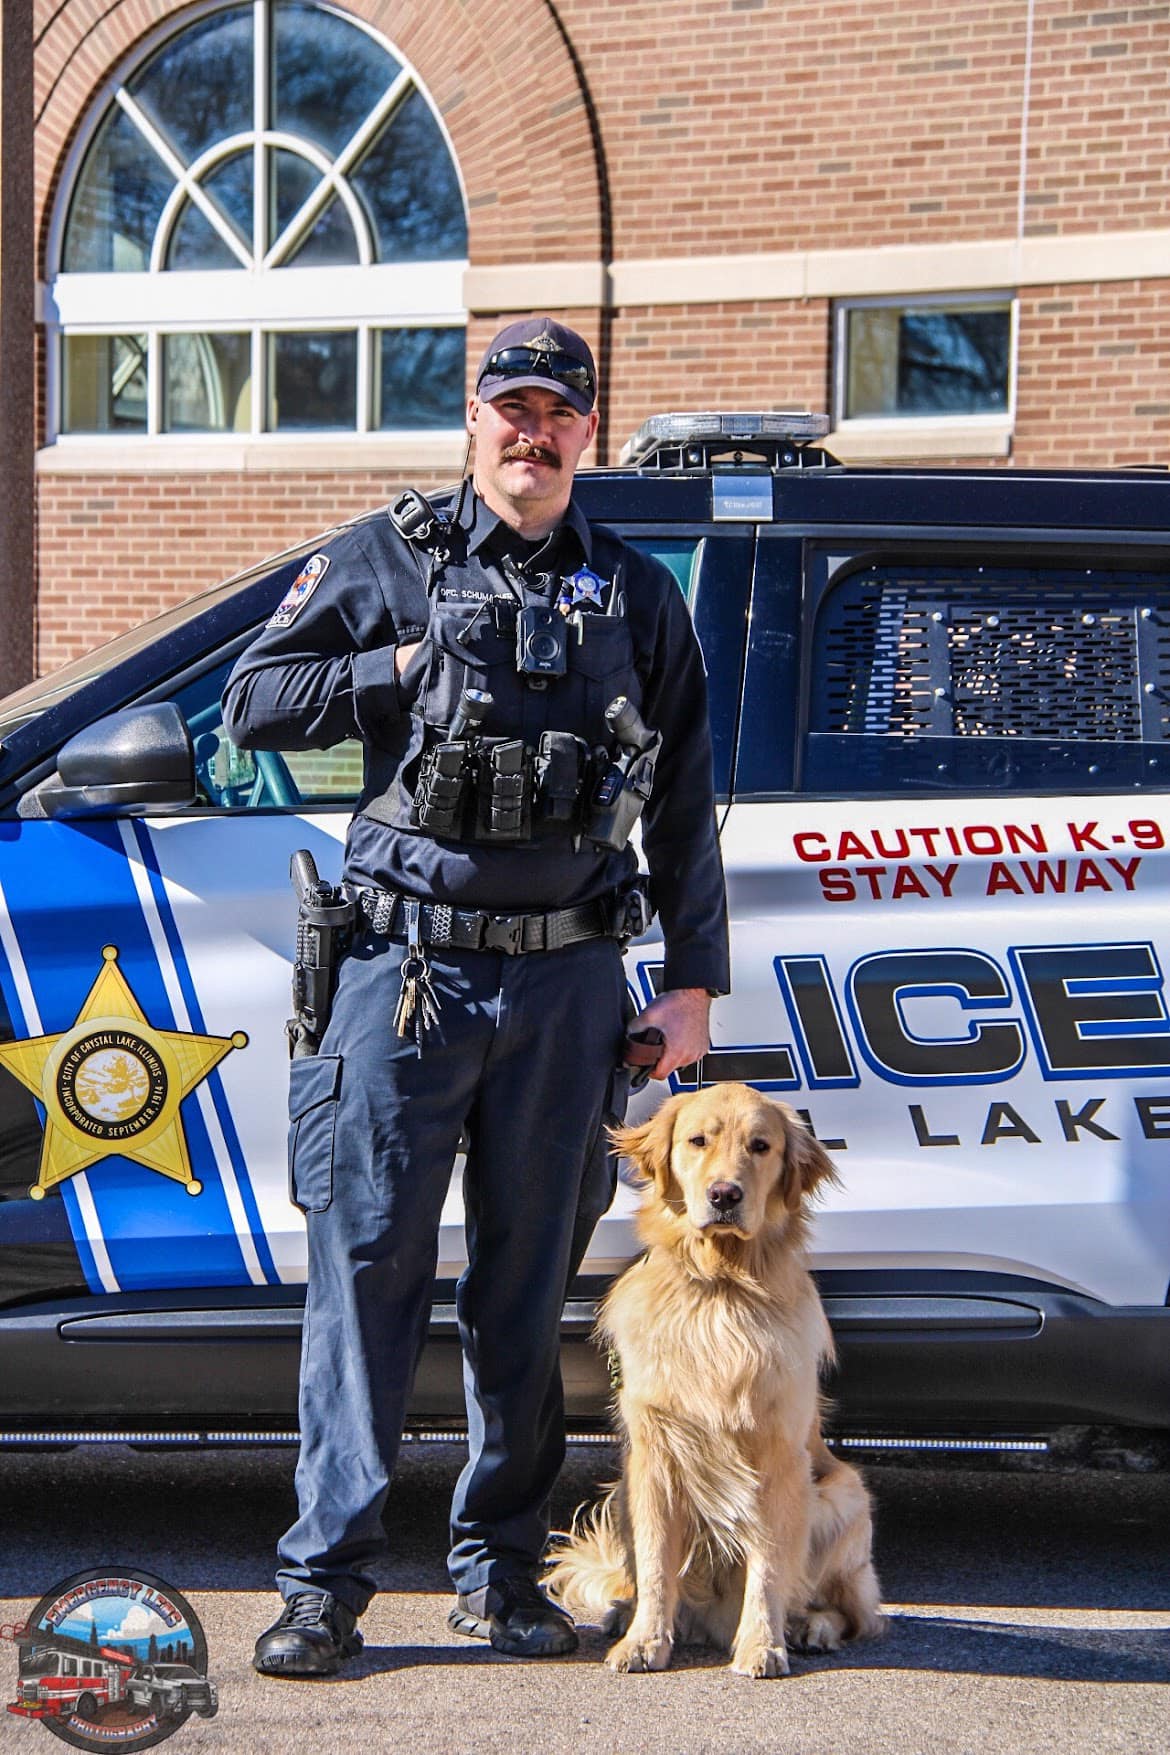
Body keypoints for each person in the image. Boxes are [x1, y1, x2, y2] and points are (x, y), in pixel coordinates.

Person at [223, 316, 730, 1676]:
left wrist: (691, 984)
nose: (533, 430)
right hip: (405, 978)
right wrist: (390, 669)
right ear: (472, 417)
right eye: (511, 405)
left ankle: (499, 1576)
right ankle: (324, 1581)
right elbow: (252, 701)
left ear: (583, 428)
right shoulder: (385, 556)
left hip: (567, 984)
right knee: (366, 1279)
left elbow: (683, 800)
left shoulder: (631, 591)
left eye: (557, 410)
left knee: (521, 1297)